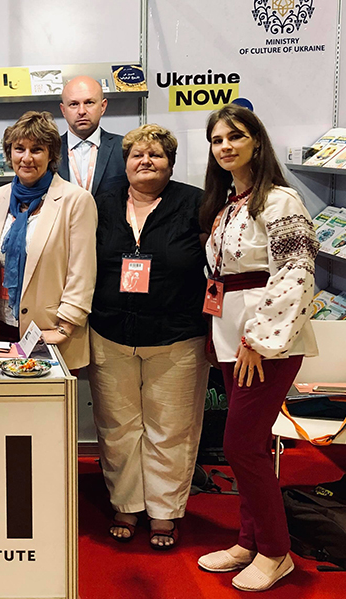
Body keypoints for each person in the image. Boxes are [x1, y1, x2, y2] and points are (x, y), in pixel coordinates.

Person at [196, 105, 318, 592]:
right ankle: (249, 540)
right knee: (250, 446)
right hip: (232, 338)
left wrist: (259, 340)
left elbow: (296, 273)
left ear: (257, 142)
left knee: (241, 446)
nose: (225, 146)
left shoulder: (281, 201)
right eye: (217, 139)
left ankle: (275, 550)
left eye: (235, 136)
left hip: (265, 343)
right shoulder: (228, 202)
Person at [86, 124, 209, 550]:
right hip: (110, 333)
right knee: (117, 427)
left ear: (170, 163)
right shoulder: (101, 204)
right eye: (137, 154)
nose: (146, 161)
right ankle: (126, 503)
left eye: (156, 154)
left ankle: (164, 511)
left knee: (171, 428)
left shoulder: (196, 203)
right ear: (125, 163)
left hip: (177, 337)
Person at [0, 110, 97, 368]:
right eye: (19, 149)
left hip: (50, 334)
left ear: (51, 155)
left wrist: (64, 329)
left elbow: (82, 274)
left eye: (37, 149)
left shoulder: (76, 201)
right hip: (1, 330)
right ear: (9, 153)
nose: (26, 158)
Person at [57, 75, 126, 196]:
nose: (81, 111)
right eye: (73, 104)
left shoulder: (124, 148)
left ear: (103, 106)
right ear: (63, 110)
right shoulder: (49, 150)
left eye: (89, 102)